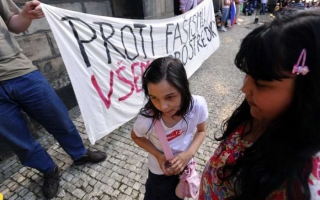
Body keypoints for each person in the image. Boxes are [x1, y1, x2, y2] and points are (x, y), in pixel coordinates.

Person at [199, 8, 320, 200]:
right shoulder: (256, 113)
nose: (245, 89)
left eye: (261, 83)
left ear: (309, 91)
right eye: (247, 74)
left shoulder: (301, 184)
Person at [0, 0, 107, 199]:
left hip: (21, 70)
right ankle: (49, 170)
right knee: (20, 141)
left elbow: (11, 22)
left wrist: (25, 16)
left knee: (59, 118)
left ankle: (79, 153)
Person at [131, 56, 208, 200]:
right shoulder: (147, 119)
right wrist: (159, 156)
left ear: (183, 88)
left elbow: (202, 130)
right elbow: (136, 136)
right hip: (159, 174)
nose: (163, 106)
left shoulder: (197, 106)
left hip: (186, 167)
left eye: (170, 97)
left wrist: (188, 154)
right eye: (154, 98)